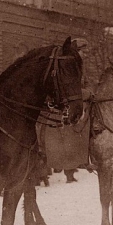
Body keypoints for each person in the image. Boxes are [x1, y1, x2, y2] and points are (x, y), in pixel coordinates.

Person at [38, 37, 93, 184]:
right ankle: (42, 172)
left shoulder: (80, 67)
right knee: (49, 139)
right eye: (83, 52)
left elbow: (87, 85)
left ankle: (71, 170)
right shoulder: (66, 66)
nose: (85, 55)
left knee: (73, 140)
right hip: (58, 107)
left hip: (74, 106)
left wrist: (86, 92)